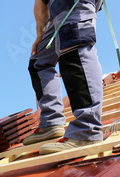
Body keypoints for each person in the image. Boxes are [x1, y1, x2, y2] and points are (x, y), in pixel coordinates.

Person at [23, 0, 104, 154]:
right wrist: (40, 36)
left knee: (73, 46)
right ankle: (51, 122)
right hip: (56, 10)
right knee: (38, 61)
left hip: (72, 3)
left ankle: (87, 130)